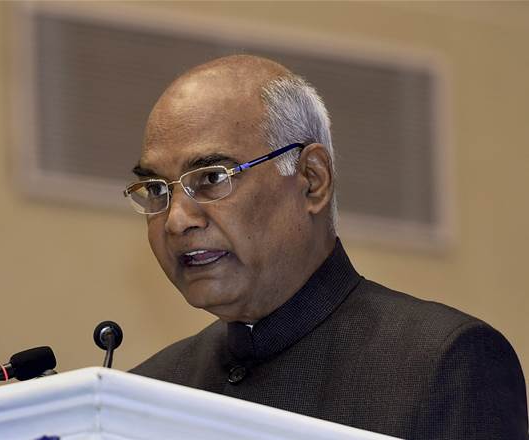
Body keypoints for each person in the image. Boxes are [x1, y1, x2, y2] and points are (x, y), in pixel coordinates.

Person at [124, 54, 528, 439]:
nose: (176, 220)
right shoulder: (144, 396)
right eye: (157, 189)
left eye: (212, 178)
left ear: (312, 180)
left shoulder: (440, 363)